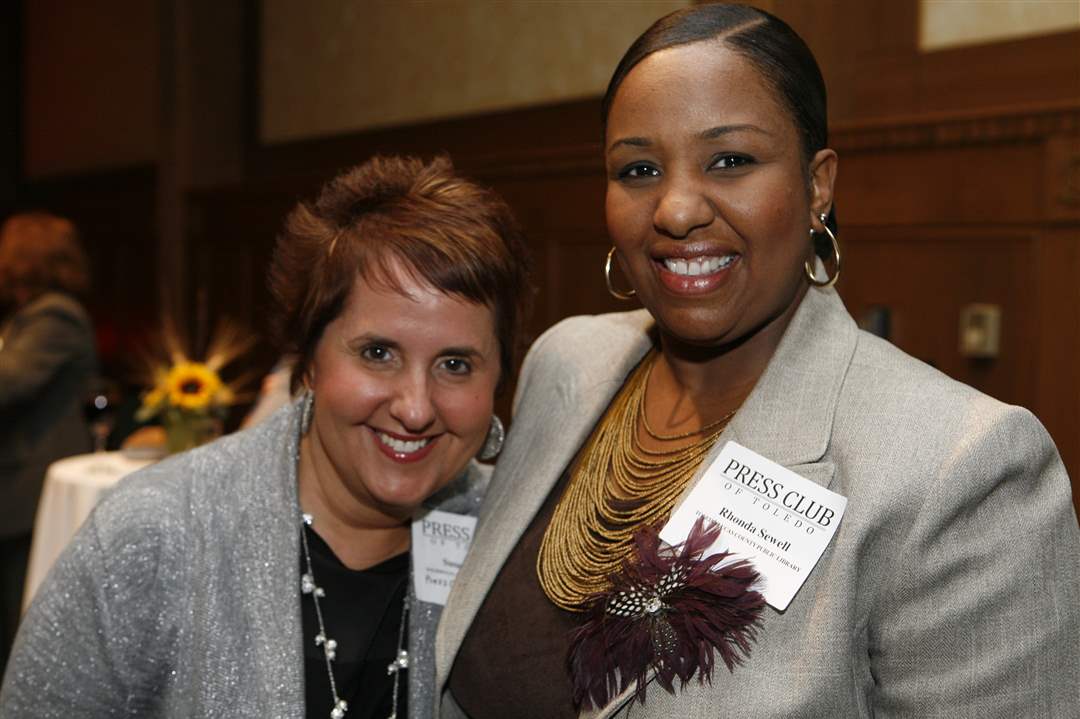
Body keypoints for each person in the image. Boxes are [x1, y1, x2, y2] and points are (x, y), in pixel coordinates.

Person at [439, 5, 1080, 718]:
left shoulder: (959, 467)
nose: (677, 209)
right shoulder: (566, 362)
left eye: (731, 160)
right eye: (639, 168)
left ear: (818, 186)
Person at [0, 155, 531, 718]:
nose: (416, 407)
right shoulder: (157, 532)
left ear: (499, 378)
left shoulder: (514, 545)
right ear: (306, 362)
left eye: (455, 364)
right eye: (378, 353)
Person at [0, 212, 97, 677]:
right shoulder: (29, 316)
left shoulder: (54, 313)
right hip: (20, 478)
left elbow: (10, 381)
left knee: (23, 611)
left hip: (30, 480)